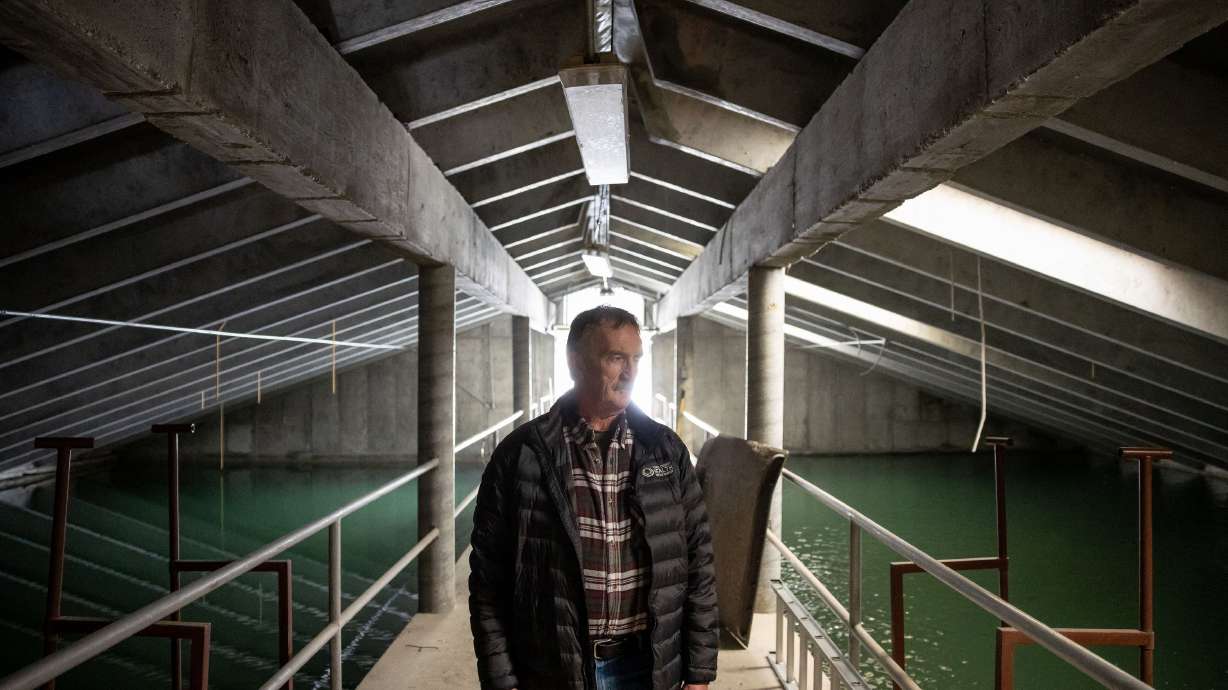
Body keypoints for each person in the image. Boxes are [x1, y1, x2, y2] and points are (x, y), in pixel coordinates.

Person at [469, 305, 718, 690]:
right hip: (555, 671)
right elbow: (488, 584)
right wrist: (502, 682)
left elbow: (699, 565)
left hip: (650, 667)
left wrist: (699, 673)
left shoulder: (665, 450)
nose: (631, 372)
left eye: (636, 358)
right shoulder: (521, 456)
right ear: (575, 363)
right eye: (616, 358)